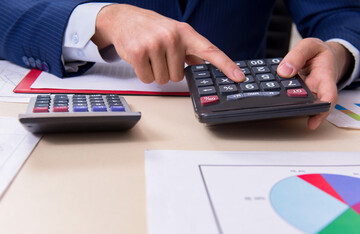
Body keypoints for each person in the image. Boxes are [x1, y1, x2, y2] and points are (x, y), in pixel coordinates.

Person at [0, 1, 359, 130]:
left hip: (252, 122)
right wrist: (99, 18)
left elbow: (340, 13)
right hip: (92, 115)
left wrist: (339, 53)